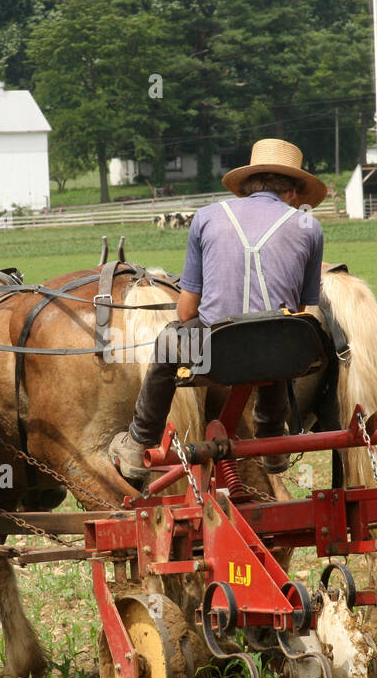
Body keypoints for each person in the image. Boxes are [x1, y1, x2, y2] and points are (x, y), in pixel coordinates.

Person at [109, 138, 326, 483]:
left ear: (245, 188)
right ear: (294, 193)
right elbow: (297, 308)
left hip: (216, 353)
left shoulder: (207, 217)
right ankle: (271, 435)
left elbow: (186, 312)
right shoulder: (310, 227)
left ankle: (138, 443)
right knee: (278, 329)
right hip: (281, 353)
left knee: (169, 341)